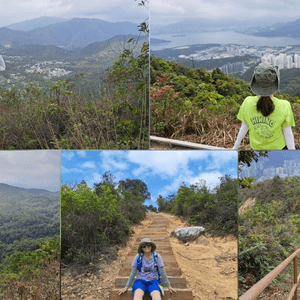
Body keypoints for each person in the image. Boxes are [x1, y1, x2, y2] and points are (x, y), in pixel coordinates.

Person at [233, 62, 295, 150]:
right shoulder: (284, 105)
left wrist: (235, 147)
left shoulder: (247, 102)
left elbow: (244, 127)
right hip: (278, 150)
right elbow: (288, 134)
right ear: (274, 85)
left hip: (256, 150)